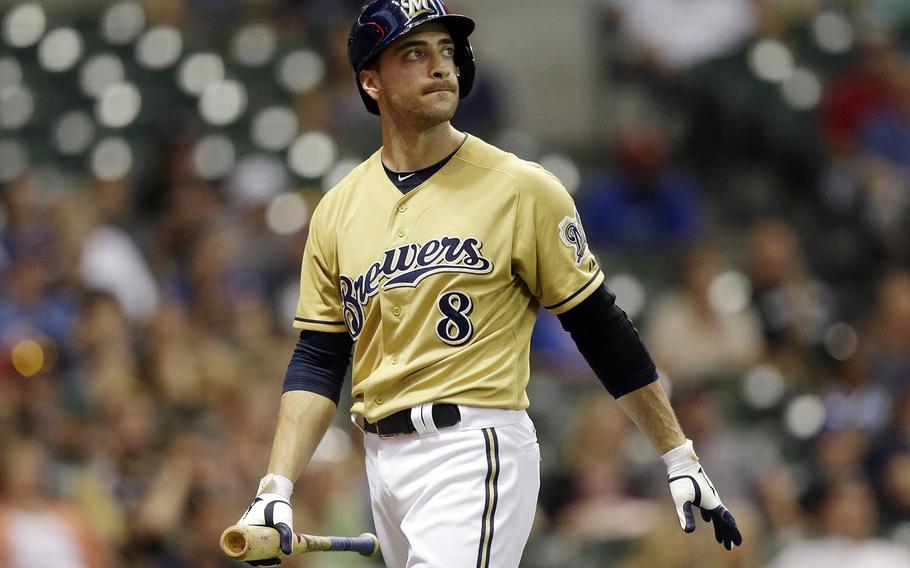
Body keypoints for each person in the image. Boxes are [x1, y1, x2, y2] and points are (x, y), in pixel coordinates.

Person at [235, 1, 742, 566]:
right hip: (379, 458)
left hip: (473, 447)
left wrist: (678, 454)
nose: (440, 67)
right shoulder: (337, 210)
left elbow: (601, 327)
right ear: (370, 80)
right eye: (415, 53)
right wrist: (276, 484)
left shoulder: (522, 189)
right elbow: (318, 357)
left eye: (447, 51)